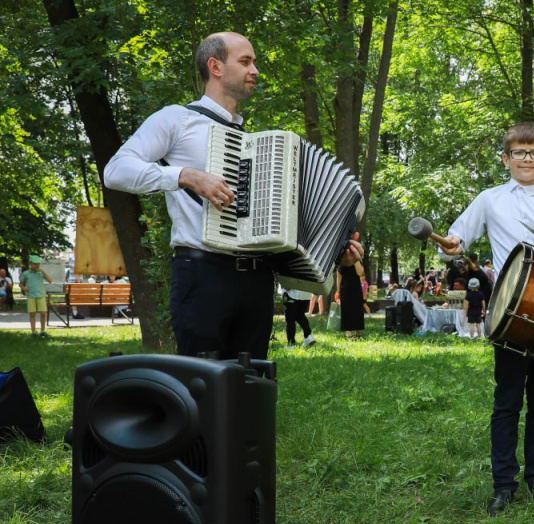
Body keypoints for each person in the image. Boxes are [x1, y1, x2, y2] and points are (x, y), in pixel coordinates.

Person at [104, 31, 362, 360]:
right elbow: (116, 170)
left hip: (257, 281)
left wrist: (333, 254)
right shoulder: (178, 119)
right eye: (245, 62)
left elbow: (280, 228)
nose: (255, 70)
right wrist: (185, 175)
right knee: (203, 384)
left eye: (254, 62)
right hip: (203, 276)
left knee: (250, 386)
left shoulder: (257, 147)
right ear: (216, 66)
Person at [435, 121, 534, 516]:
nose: (526, 158)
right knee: (506, 402)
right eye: (519, 152)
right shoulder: (490, 199)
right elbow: (456, 241)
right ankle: (504, 484)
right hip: (509, 313)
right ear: (506, 159)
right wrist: (452, 245)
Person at [20, 256, 52, 337]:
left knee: (43, 313)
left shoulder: (41, 273)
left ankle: (42, 331)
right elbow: (21, 283)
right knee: (32, 314)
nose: (36, 265)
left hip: (41, 295)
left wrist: (43, 271)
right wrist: (23, 288)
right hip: (31, 295)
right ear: (30, 264)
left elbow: (50, 280)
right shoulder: (26, 273)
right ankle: (33, 332)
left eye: (38, 264)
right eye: (34, 264)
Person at [337, 260, 366, 338]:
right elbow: (339, 276)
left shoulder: (357, 260)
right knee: (346, 310)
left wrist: (355, 260)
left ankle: (358, 333)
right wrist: (338, 290)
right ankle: (348, 333)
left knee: (358, 309)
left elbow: (360, 273)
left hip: (356, 287)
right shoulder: (343, 260)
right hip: (345, 288)